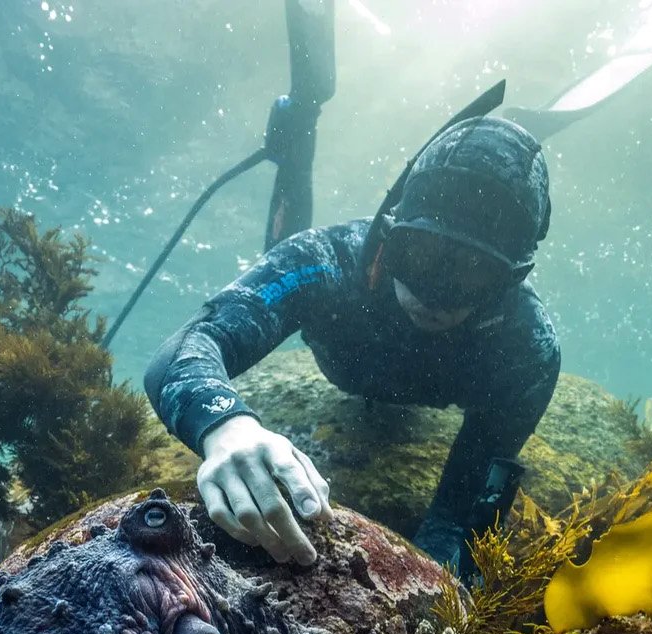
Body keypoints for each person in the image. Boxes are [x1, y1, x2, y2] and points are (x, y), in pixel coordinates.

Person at [143, 101, 558, 574]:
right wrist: (226, 427)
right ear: (389, 235)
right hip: (340, 346)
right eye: (420, 254)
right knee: (279, 257)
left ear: (511, 281)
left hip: (361, 362)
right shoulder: (327, 260)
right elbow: (194, 341)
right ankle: (296, 151)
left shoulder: (526, 352)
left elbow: (459, 517)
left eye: (472, 270)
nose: (435, 292)